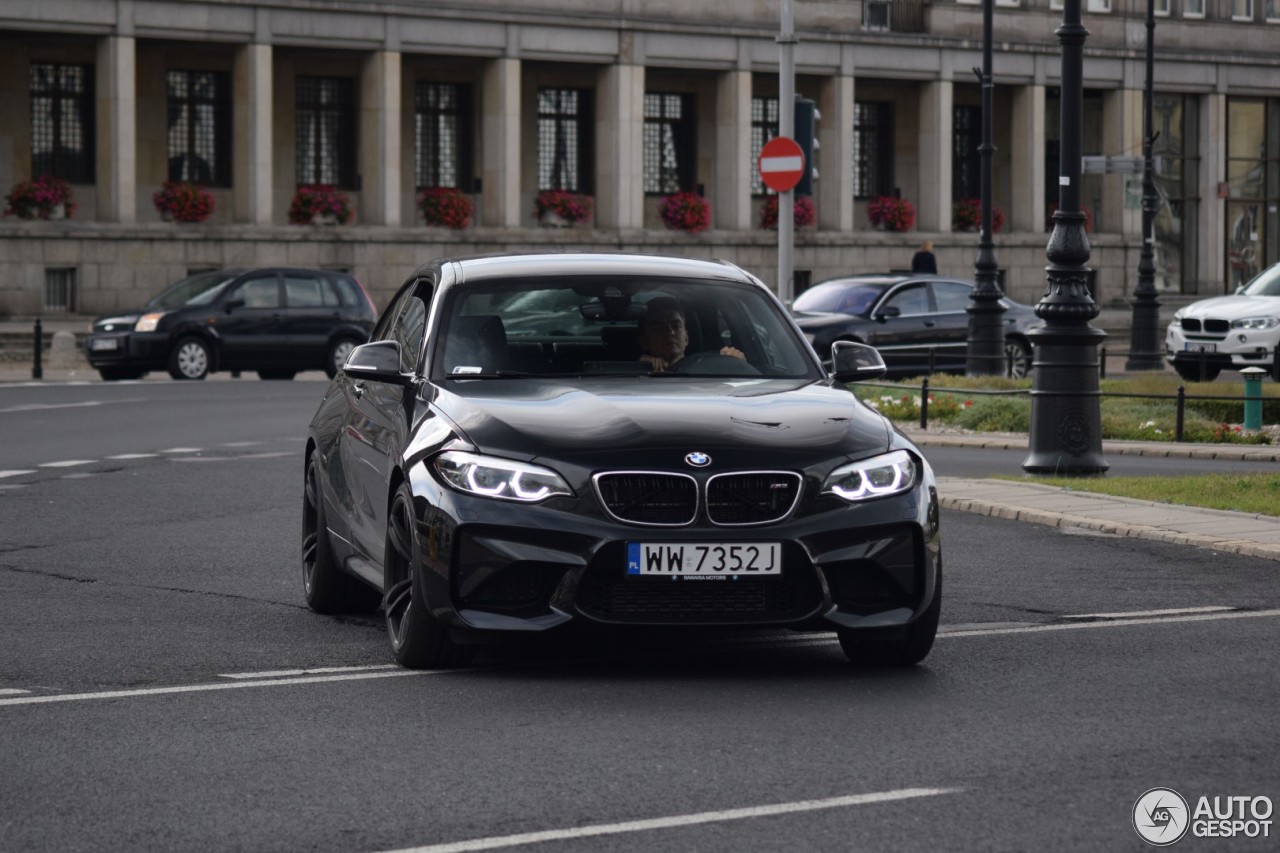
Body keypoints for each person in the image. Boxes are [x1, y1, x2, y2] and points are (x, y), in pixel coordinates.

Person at [637, 297, 744, 372]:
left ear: (686, 338)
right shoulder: (631, 379)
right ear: (644, 343)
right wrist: (639, 368)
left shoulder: (712, 369)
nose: (670, 332)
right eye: (658, 328)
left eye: (676, 326)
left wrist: (736, 363)